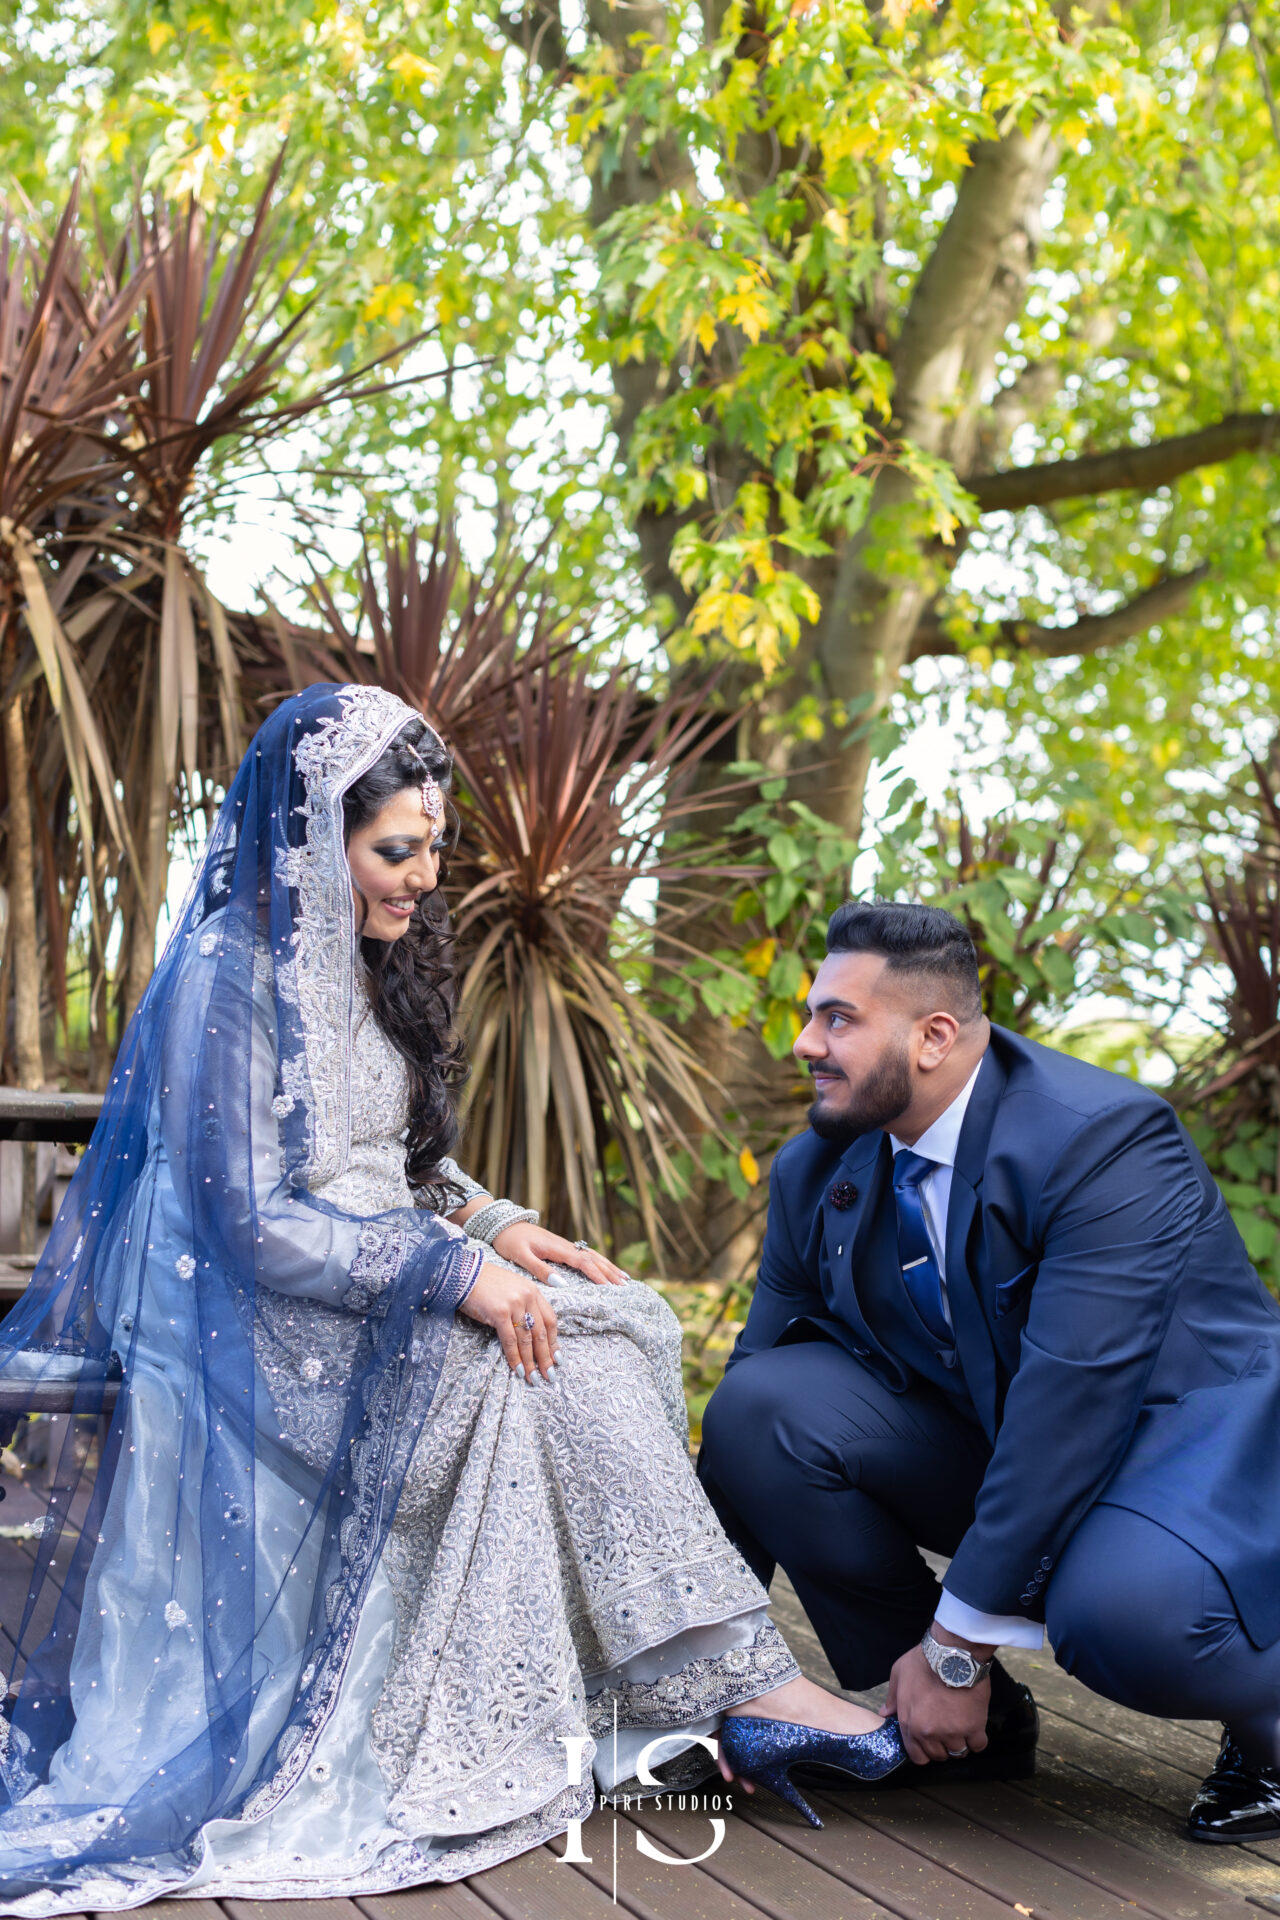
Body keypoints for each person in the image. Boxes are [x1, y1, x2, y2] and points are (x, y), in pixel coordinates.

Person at [0, 684, 903, 1914]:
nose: (425, 876)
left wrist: (501, 1227)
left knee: (618, 1319)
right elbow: (246, 1220)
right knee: (533, 1366)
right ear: (315, 837)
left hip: (376, 1279)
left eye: (433, 847)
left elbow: (404, 1164)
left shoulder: (371, 956)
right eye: (397, 850)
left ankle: (716, 1683)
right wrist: (451, 1273)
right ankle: (739, 1687)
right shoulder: (227, 974)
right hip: (253, 1323)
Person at [696, 899, 1280, 1843]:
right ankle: (967, 1733)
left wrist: (957, 1646)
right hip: (1011, 1439)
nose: (805, 1042)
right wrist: (700, 1677)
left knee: (1123, 1613)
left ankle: (1267, 1732)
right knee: (764, 1412)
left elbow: (1072, 1411)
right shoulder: (821, 1167)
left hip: (1191, 1455)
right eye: (812, 1015)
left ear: (933, 1036)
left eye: (837, 1018)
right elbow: (748, 1397)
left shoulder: (1102, 1141)